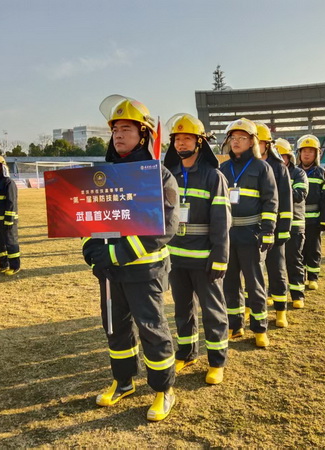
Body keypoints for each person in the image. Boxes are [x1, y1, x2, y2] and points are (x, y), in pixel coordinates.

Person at [82, 95, 179, 422]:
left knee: (152, 329)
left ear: (143, 134)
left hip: (145, 270)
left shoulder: (160, 176)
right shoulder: (103, 175)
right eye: (115, 130)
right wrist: (90, 249)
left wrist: (115, 253)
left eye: (126, 129)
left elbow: (164, 227)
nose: (118, 135)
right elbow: (88, 218)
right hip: (110, 274)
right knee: (115, 328)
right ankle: (123, 381)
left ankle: (164, 390)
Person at [163, 113, 231, 385]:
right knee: (182, 310)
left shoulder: (214, 176)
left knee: (213, 311)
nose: (181, 143)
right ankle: (186, 353)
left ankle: (217, 362)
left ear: (200, 142)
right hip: (176, 257)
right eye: (177, 139)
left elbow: (222, 221)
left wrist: (220, 257)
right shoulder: (168, 175)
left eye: (187, 138)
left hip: (204, 258)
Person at [219, 118, 278, 347]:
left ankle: (260, 328)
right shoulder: (223, 169)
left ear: (252, 141)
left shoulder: (262, 168)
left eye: (242, 138)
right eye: (233, 138)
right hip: (228, 234)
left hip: (252, 233)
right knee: (230, 282)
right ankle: (235, 325)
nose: (236, 142)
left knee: (255, 283)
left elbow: (270, 201)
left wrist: (268, 231)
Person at [254, 122, 292, 328]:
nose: (254, 145)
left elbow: (285, 202)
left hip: (274, 229)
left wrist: (283, 229)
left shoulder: (279, 168)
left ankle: (280, 310)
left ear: (267, 144)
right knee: (253, 274)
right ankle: (251, 308)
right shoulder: (247, 166)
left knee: (276, 271)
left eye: (258, 142)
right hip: (252, 230)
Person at [275, 139, 308, 310]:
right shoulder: (268, 171)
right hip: (274, 226)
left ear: (289, 157)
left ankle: (297, 294)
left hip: (294, 225)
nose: (280, 159)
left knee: (294, 260)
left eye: (283, 156)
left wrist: (278, 189)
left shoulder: (299, 173)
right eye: (277, 156)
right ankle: (273, 293)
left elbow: (299, 194)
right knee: (274, 264)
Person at [297, 135, 325, 294]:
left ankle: (313, 278)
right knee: (298, 250)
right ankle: (301, 276)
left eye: (310, 151)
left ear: (316, 154)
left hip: (314, 220)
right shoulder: (294, 172)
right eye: (304, 151)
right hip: (297, 220)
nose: (307, 154)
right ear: (299, 153)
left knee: (313, 250)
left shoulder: (321, 173)